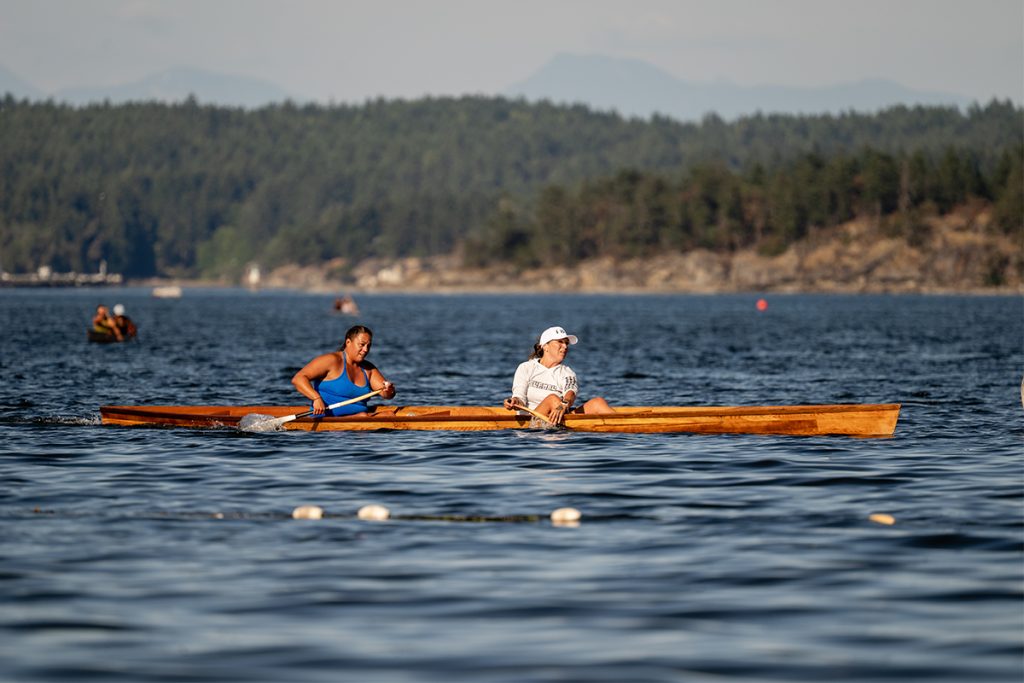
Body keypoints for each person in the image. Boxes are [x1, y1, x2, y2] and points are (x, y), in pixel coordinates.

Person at [503, 325, 613, 424]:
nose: (565, 347)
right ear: (545, 346)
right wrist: (514, 402)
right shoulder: (526, 368)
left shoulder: (567, 372)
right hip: (531, 422)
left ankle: (625, 426)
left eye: (566, 343)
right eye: (560, 342)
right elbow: (519, 399)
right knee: (552, 399)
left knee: (598, 402)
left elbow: (570, 392)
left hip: (558, 417)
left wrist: (564, 404)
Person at [291, 324, 397, 417]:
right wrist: (316, 399)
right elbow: (298, 379)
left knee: (390, 414)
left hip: (360, 425)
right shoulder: (331, 360)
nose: (365, 350)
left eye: (368, 346)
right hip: (328, 422)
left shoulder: (368, 368)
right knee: (363, 416)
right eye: (362, 345)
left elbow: (387, 395)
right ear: (348, 342)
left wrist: (389, 390)